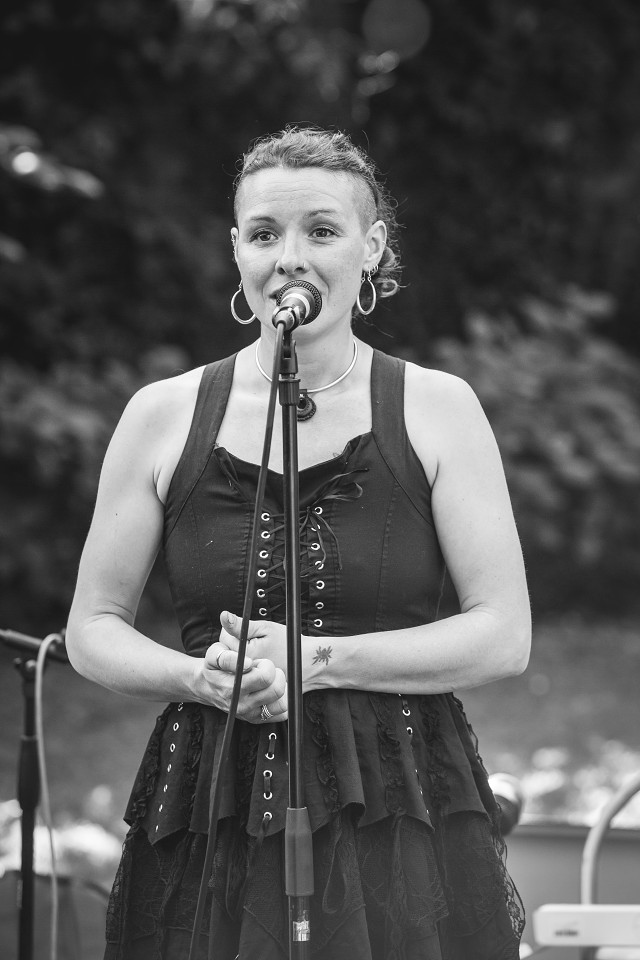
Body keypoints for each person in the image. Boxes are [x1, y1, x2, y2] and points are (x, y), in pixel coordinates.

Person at [66, 125, 531, 960]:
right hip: (212, 799)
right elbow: (92, 629)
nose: (290, 258)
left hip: (396, 802)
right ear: (236, 252)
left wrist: (315, 662)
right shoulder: (161, 415)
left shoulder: (439, 407)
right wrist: (200, 679)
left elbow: (503, 635)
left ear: (370, 248)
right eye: (263, 234)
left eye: (321, 231)